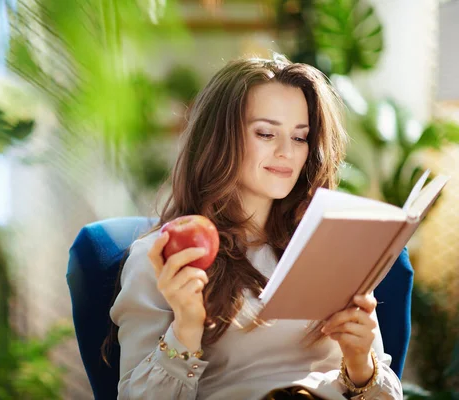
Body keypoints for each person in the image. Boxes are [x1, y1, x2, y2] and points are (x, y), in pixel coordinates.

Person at [107, 55, 403, 399]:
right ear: (219, 139)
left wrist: (360, 364)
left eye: (300, 137)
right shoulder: (163, 259)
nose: (286, 152)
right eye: (266, 133)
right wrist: (186, 327)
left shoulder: (329, 245)